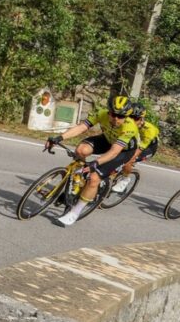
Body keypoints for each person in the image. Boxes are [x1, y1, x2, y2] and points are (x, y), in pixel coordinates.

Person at [44, 95, 140, 226]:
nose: (116, 119)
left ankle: (74, 213)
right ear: (108, 111)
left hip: (123, 151)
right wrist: (59, 138)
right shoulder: (101, 114)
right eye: (113, 114)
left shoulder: (129, 127)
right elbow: (81, 127)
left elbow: (114, 152)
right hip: (107, 139)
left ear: (127, 116)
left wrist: (96, 163)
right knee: (81, 150)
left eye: (121, 116)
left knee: (94, 177)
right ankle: (80, 179)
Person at [111, 100, 158, 194]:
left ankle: (125, 179)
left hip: (148, 148)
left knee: (128, 160)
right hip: (133, 143)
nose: (132, 120)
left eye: (135, 118)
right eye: (130, 117)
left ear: (142, 119)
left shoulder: (150, 130)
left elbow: (139, 149)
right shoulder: (125, 123)